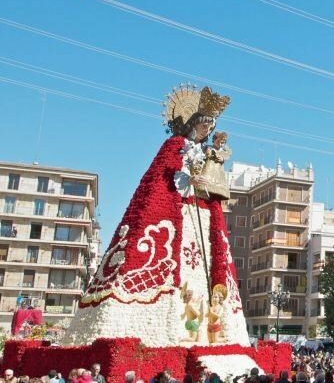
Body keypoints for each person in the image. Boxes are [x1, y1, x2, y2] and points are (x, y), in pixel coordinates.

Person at [62, 85, 247, 347]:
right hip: (179, 210)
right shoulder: (174, 145)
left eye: (211, 128)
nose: (208, 132)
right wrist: (189, 177)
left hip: (202, 214)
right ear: (194, 124)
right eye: (205, 126)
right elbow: (167, 178)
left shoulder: (205, 151)